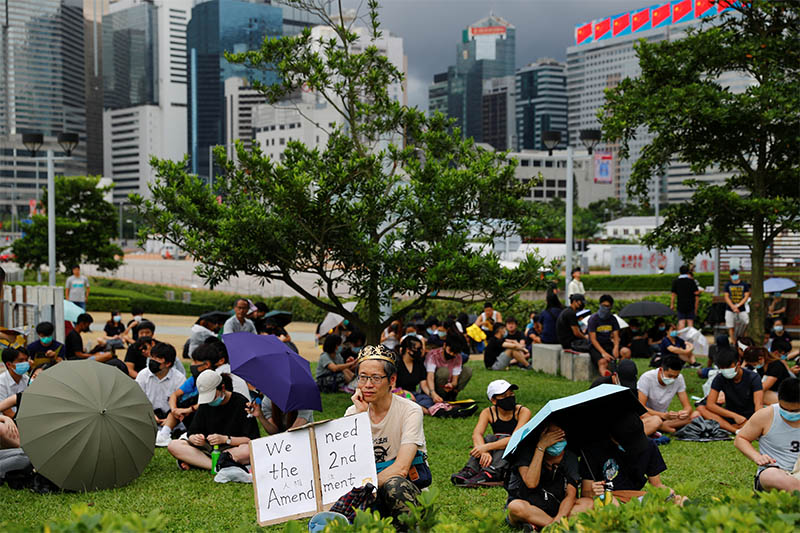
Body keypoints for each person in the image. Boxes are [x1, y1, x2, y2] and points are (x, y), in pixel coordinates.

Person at [346, 345, 430, 520]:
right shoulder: (352, 413)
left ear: (392, 380)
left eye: (376, 378)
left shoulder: (410, 411)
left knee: (394, 485)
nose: (368, 385)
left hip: (403, 488)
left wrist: (366, 490)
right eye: (363, 378)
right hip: (368, 490)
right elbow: (351, 464)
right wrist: (361, 418)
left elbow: (401, 469)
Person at [576, 412, 682, 510]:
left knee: (681, 501)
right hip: (606, 497)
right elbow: (586, 492)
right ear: (613, 439)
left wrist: (667, 493)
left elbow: (657, 484)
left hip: (635, 497)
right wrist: (593, 492)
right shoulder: (593, 450)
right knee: (583, 505)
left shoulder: (648, 445)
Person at [167, 370, 259, 471]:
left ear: (222, 388)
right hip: (207, 448)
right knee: (174, 445)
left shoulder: (241, 403)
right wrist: (195, 438)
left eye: (213, 397)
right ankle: (216, 466)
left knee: (248, 451)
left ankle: (199, 462)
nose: (210, 401)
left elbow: (251, 439)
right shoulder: (205, 404)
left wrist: (226, 439)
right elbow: (192, 432)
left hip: (230, 449)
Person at [451, 380, 532, 487]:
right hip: (496, 449)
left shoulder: (523, 411)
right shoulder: (488, 412)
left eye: (511, 394)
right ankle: (471, 469)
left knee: (502, 438)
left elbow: (516, 438)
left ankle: (492, 472)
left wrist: (486, 448)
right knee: (489, 438)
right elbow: (477, 434)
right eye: (504, 396)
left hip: (516, 450)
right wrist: (483, 451)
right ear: (493, 400)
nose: (510, 397)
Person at [506, 425, 581, 530]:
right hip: (530, 505)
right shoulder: (526, 452)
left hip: (558, 507)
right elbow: (531, 483)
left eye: (560, 435)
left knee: (587, 503)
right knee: (515, 507)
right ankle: (556, 528)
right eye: (552, 435)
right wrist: (540, 448)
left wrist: (559, 517)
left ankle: (541, 525)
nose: (556, 439)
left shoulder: (570, 457)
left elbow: (571, 495)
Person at [734, 379, 800, 493]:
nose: (789, 413)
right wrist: (756, 456)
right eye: (784, 409)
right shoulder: (765, 415)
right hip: (776, 472)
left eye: (795, 411)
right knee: (771, 475)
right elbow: (740, 439)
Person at [696, 347, 763, 434]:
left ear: (738, 364)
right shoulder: (720, 378)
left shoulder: (753, 377)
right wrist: (734, 416)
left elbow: (759, 404)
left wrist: (755, 420)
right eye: (722, 368)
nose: (725, 371)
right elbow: (710, 404)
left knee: (762, 416)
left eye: (728, 367)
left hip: (749, 416)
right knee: (701, 409)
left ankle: (731, 427)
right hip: (730, 414)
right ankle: (735, 430)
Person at [637, 356, 700, 434]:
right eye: (670, 376)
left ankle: (662, 427)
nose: (673, 379)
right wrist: (663, 415)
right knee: (650, 418)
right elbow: (641, 408)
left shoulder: (679, 379)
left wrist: (684, 412)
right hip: (648, 416)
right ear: (661, 370)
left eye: (675, 377)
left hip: (665, 418)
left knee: (695, 414)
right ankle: (666, 428)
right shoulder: (647, 378)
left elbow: (687, 406)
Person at [135, 342, 186, 430]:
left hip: (172, 418)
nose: (152, 360)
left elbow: (183, 406)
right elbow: (136, 400)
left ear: (168, 363)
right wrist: (151, 416)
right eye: (152, 357)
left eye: (157, 358)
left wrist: (169, 420)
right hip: (147, 416)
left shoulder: (179, 379)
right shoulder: (143, 375)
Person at [425, 334, 473, 401]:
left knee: (467, 371)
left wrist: (452, 385)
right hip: (435, 384)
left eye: (455, 353)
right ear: (445, 345)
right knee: (444, 371)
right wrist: (432, 392)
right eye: (450, 351)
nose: (452, 354)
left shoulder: (458, 357)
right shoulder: (433, 355)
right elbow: (430, 376)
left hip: (448, 383)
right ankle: (440, 396)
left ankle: (452, 395)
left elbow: (455, 379)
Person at [394, 334, 435, 413]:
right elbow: (392, 389)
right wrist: (405, 393)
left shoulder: (418, 364)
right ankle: (419, 408)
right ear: (408, 350)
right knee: (405, 400)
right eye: (417, 348)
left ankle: (415, 407)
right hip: (399, 394)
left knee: (427, 399)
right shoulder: (396, 364)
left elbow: (423, 384)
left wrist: (432, 394)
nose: (420, 351)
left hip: (414, 395)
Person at [587, 294, 620, 376]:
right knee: (603, 362)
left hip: (608, 344)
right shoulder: (593, 319)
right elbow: (593, 339)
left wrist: (616, 348)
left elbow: (616, 336)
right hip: (596, 347)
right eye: (603, 306)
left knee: (626, 352)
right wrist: (603, 353)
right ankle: (606, 379)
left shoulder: (613, 319)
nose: (605, 308)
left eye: (607, 306)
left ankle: (622, 376)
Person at [761, 341, 793, 406]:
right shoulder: (767, 364)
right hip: (777, 394)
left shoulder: (777, 365)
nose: (785, 356)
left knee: (760, 393)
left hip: (785, 396)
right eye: (785, 354)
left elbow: (763, 388)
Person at [0, 348, 30, 416]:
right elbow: (5, 410)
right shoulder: (1, 383)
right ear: (9, 364)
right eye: (21, 360)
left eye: (26, 360)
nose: (25, 363)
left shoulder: (27, 379)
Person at [723, 269, 750, 344]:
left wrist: (738, 305)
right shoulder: (727, 285)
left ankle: (743, 340)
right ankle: (733, 341)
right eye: (732, 274)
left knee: (746, 322)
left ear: (738, 274)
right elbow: (726, 296)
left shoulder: (744, 285)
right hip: (729, 309)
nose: (734, 276)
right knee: (730, 326)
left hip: (741, 309)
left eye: (735, 274)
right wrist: (733, 306)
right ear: (730, 276)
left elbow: (746, 296)